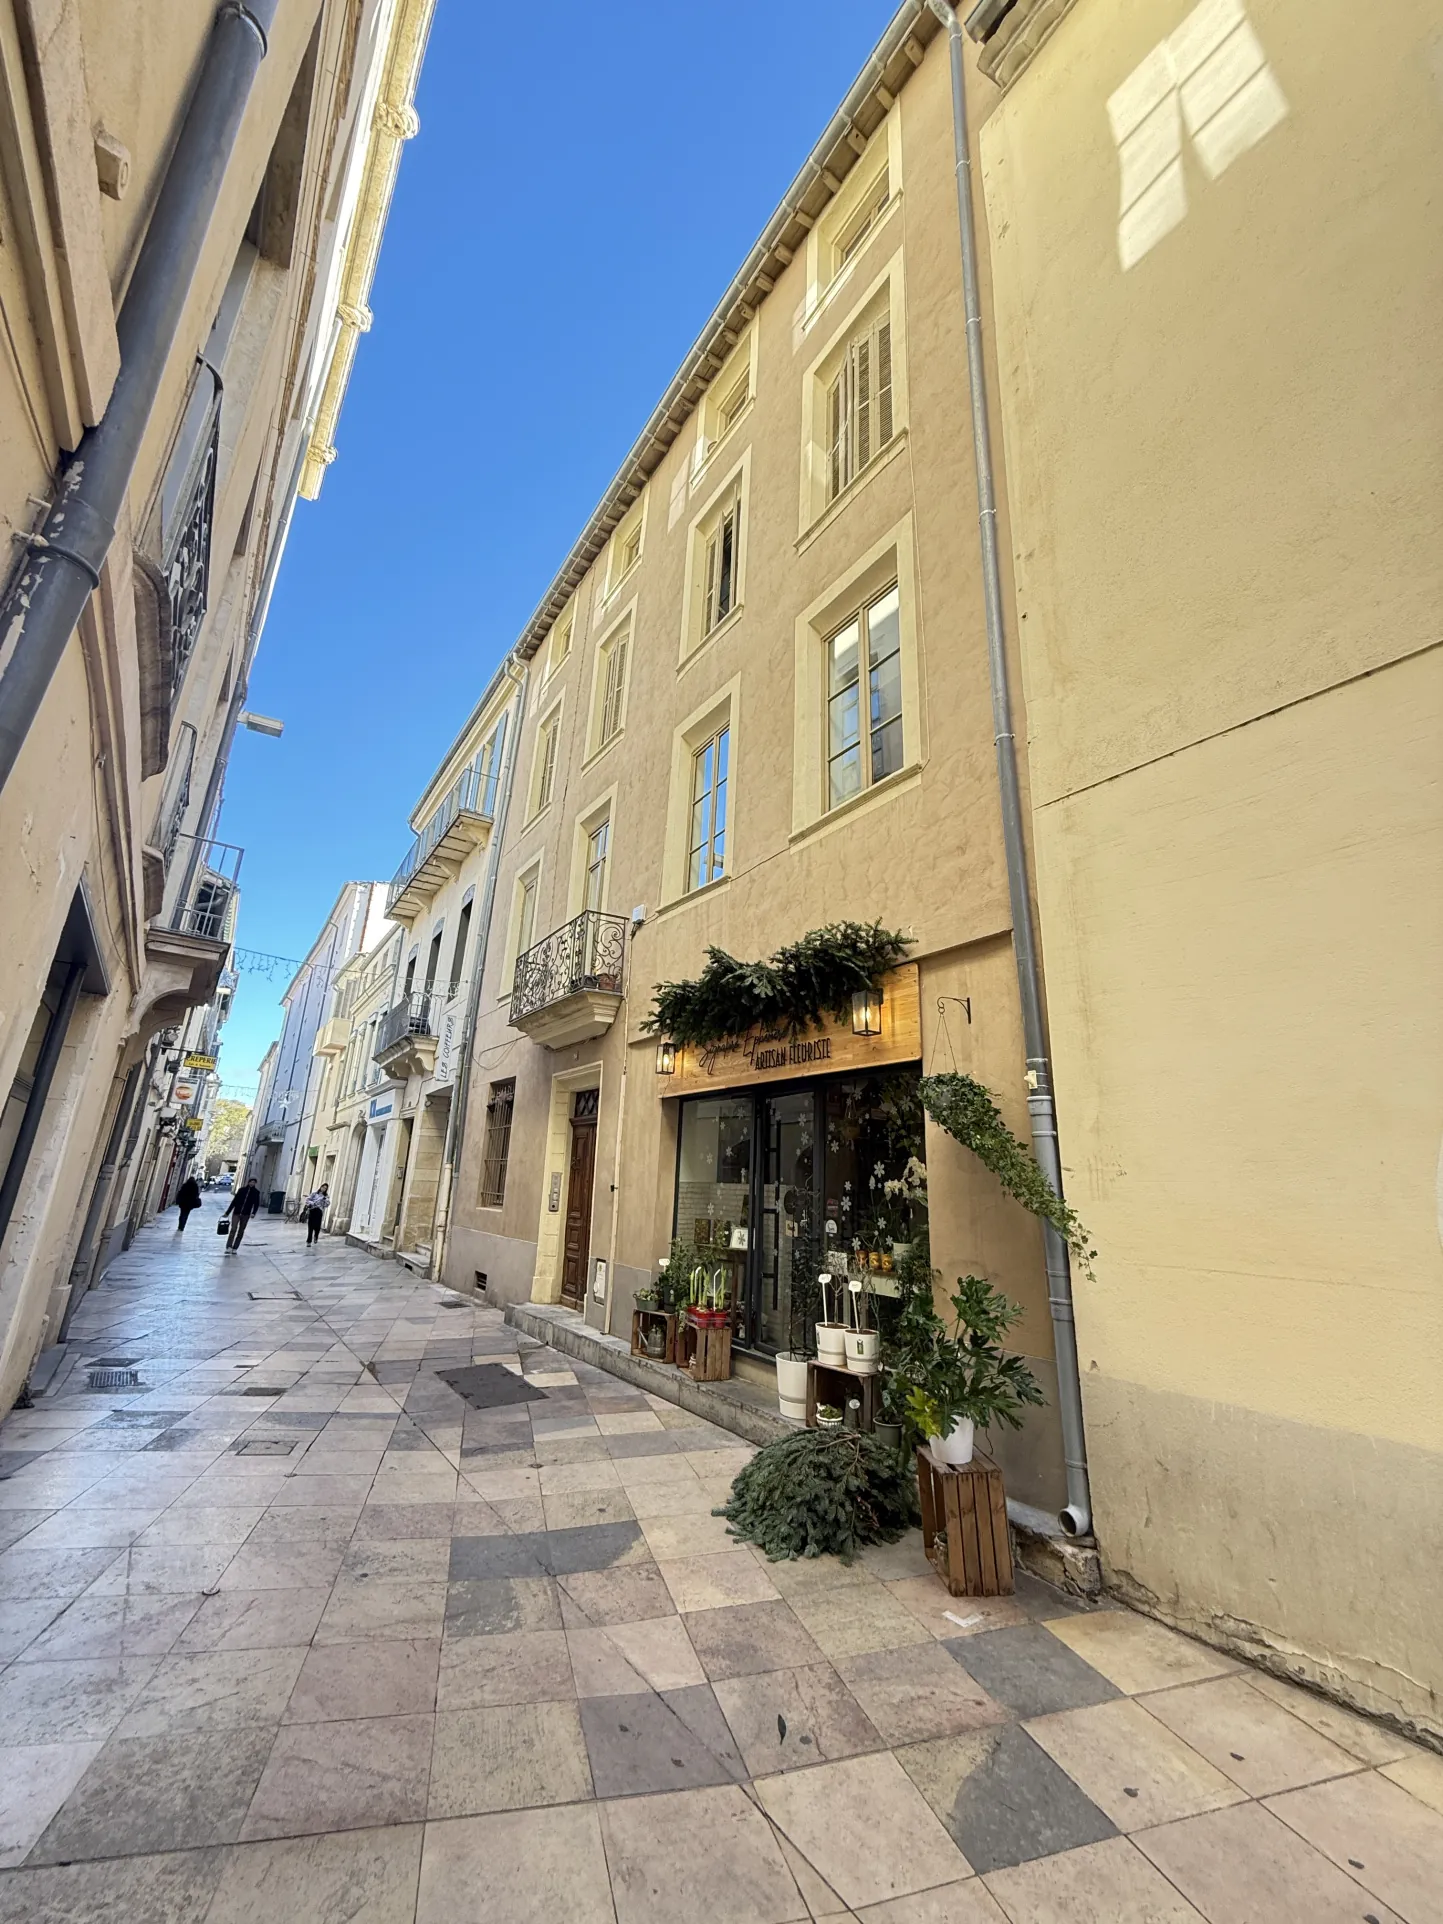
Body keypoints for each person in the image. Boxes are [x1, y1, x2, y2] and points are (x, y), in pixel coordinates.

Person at [226, 1177, 262, 1252]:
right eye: (251, 1182)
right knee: (233, 1229)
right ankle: (229, 1246)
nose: (252, 1183)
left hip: (246, 1214)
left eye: (253, 1182)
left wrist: (253, 1213)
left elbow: (256, 1204)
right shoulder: (241, 1190)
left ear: (255, 1183)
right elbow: (234, 1201)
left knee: (241, 1231)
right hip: (237, 1212)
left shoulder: (256, 1192)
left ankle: (235, 1247)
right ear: (248, 1182)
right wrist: (227, 1212)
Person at [303, 1182, 329, 1247]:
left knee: (317, 1227)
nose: (323, 1189)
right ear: (321, 1187)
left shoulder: (326, 1196)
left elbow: (327, 1204)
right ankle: (309, 1241)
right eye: (323, 1187)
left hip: (319, 1211)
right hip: (312, 1210)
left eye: (325, 1188)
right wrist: (312, 1203)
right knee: (310, 1226)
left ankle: (316, 1236)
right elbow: (307, 1200)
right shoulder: (314, 1194)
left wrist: (325, 1200)